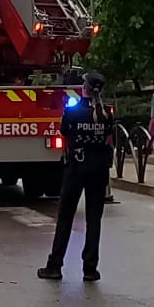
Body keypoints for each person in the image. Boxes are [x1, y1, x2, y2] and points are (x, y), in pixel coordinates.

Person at [39, 71, 115, 281]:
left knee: (65, 218)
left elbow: (64, 131)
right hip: (99, 171)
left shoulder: (74, 111)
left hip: (76, 169)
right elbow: (110, 136)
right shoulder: (107, 112)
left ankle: (54, 265)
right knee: (94, 220)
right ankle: (90, 268)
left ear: (86, 88)